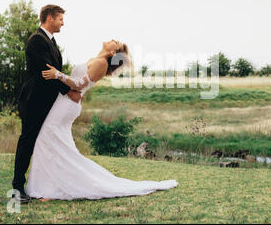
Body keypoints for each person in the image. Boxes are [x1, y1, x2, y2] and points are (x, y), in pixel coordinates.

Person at [24, 39, 178, 201]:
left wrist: (57, 74)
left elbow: (77, 84)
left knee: (47, 137)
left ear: (113, 53)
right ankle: (51, 185)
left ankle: (51, 188)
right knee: (55, 141)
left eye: (115, 42)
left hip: (67, 105)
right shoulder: (95, 59)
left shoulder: (102, 63)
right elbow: (76, 84)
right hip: (65, 100)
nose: (112, 40)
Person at [12, 5, 82, 204]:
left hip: (46, 101)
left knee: (44, 142)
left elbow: (55, 70)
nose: (63, 23)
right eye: (60, 19)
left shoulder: (50, 40)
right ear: (49, 18)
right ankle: (17, 188)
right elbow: (46, 72)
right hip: (34, 100)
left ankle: (46, 185)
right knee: (27, 141)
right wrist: (68, 90)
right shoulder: (37, 40)